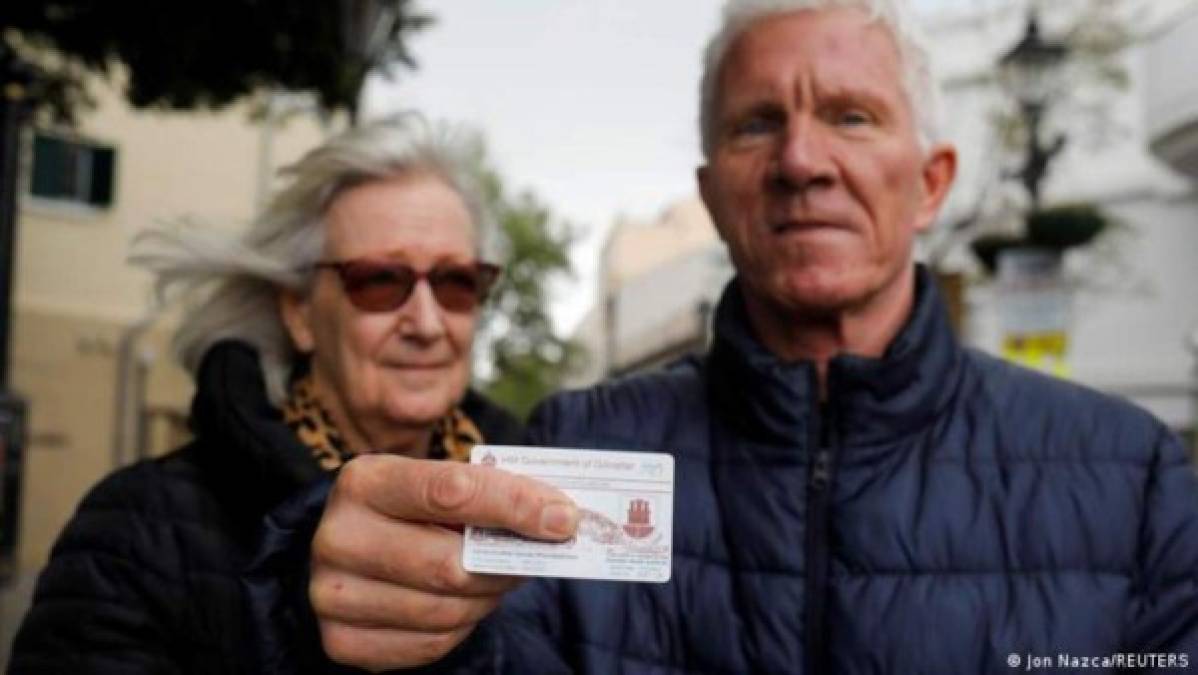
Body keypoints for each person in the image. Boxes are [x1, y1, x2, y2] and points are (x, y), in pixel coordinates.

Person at [251, 1, 1198, 673]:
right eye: (756, 125)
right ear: (711, 196)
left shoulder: (1136, 475)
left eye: (850, 116)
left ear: (934, 182)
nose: (800, 160)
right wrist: (342, 608)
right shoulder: (572, 446)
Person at [8, 113, 530, 673]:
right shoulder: (137, 529)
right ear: (299, 312)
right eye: (380, 280)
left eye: (456, 283)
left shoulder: (541, 517)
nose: (427, 322)